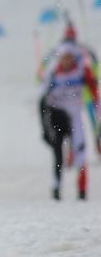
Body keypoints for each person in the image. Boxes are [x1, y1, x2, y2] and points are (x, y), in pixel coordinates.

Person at [39, 42, 99, 200]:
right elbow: (42, 101)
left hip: (75, 117)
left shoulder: (81, 71)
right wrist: (45, 129)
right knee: (58, 154)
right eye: (63, 58)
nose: (66, 61)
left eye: (69, 58)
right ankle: (56, 188)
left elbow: (95, 94)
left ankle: (82, 191)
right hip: (57, 117)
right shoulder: (53, 73)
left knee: (80, 152)